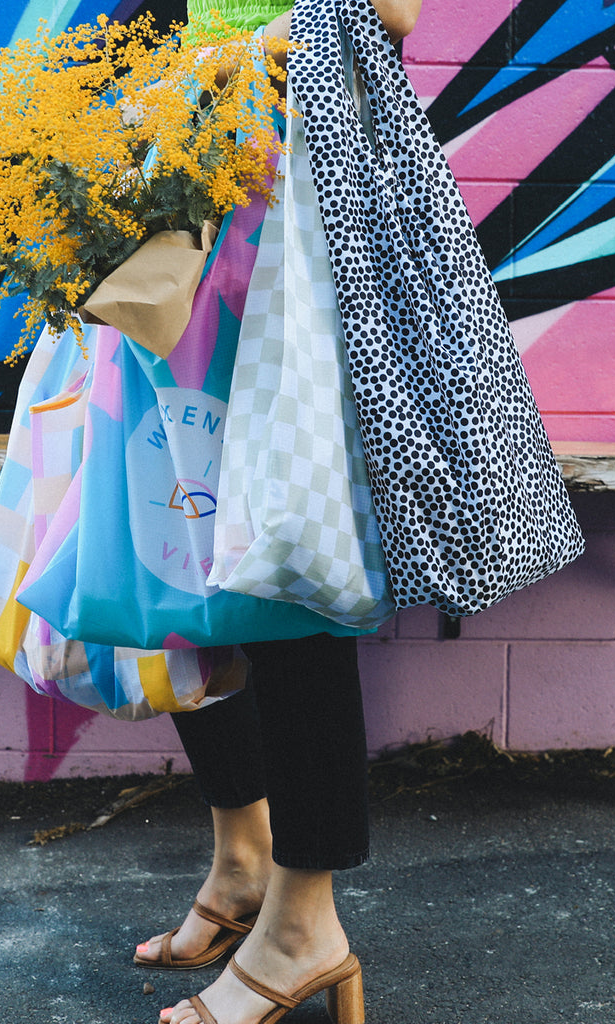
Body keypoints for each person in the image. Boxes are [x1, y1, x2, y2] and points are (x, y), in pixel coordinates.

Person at [128, 5, 425, 1022]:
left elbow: (388, 10)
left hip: (287, 222)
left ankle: (306, 921)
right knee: (179, 555)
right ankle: (241, 863)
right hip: (187, 200)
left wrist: (244, 55)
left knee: (287, 563)